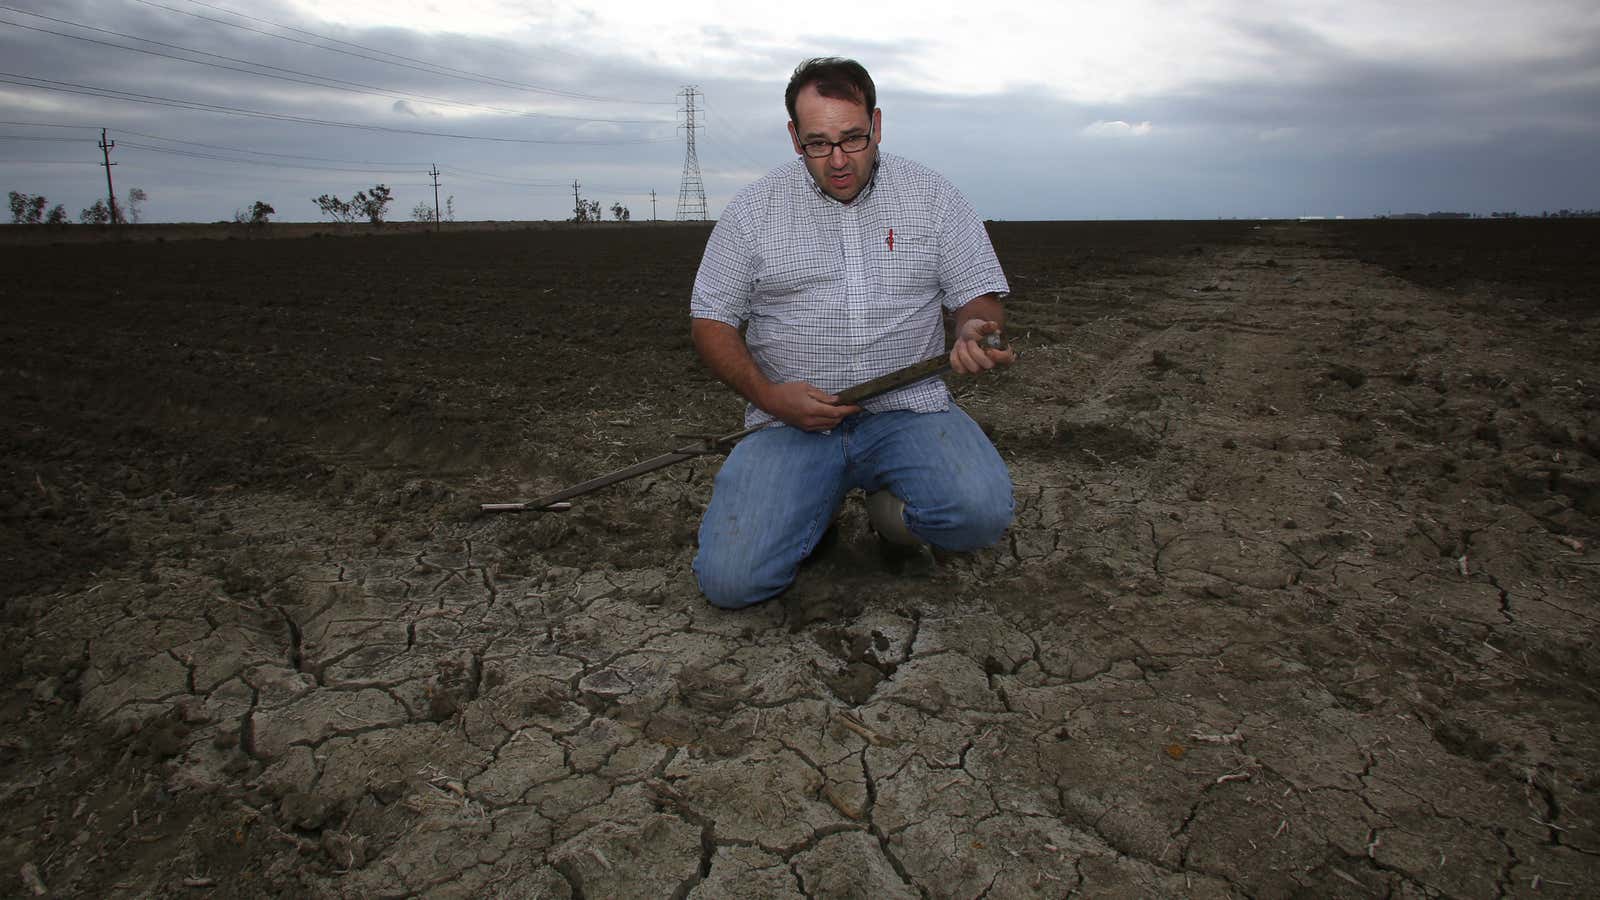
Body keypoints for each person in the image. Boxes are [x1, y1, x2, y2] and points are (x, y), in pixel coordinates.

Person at [689, 57, 1015, 610]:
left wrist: (972, 330)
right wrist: (770, 397)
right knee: (731, 584)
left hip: (907, 414)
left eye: (853, 139)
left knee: (978, 514)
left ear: (878, 125)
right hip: (789, 424)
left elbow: (977, 298)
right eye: (818, 143)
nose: (838, 160)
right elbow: (709, 320)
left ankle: (891, 521)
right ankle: (813, 520)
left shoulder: (933, 197)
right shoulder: (751, 211)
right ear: (794, 137)